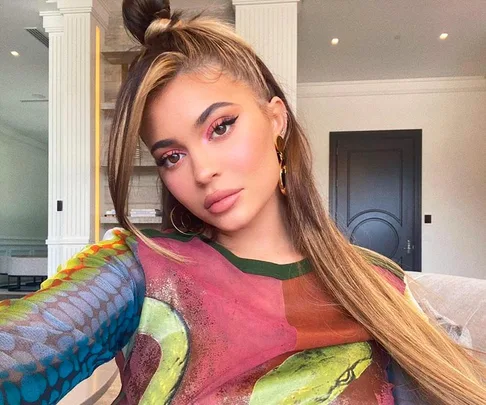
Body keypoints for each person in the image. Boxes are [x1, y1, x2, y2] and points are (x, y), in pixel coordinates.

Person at [1, 0, 485, 403]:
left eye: (220, 127)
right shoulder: (136, 270)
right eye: (171, 155)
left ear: (276, 119)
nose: (202, 171)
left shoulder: (379, 283)